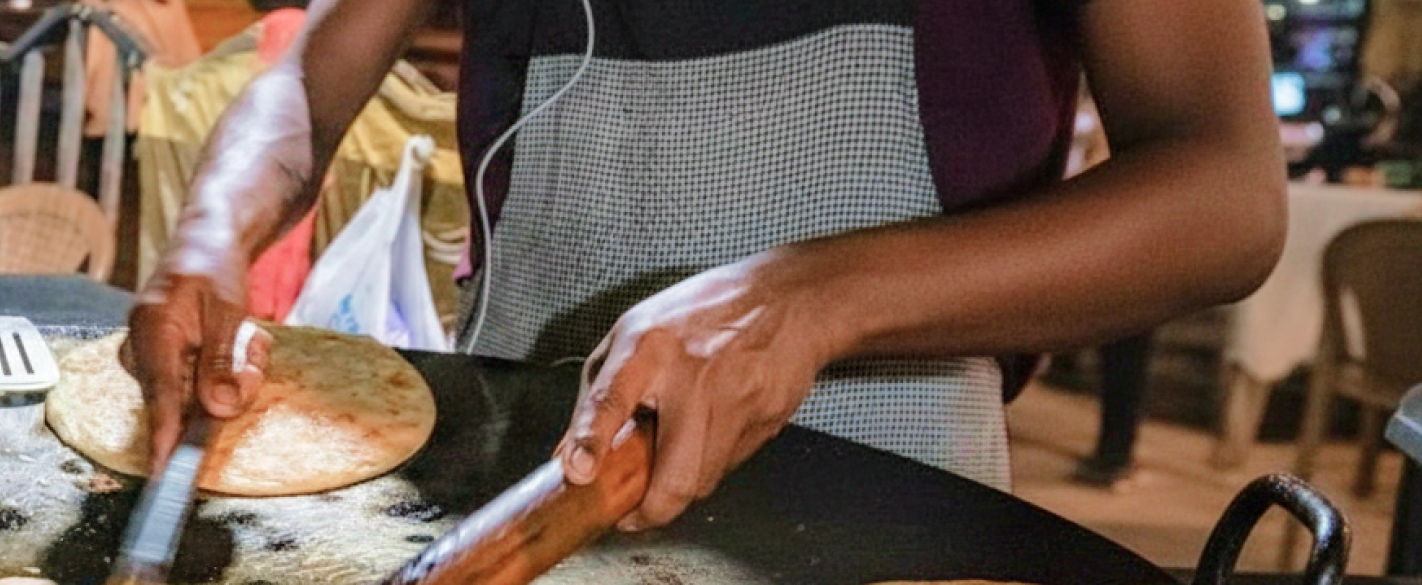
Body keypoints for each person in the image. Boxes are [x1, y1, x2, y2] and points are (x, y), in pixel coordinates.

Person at [128, 0, 1286, 531]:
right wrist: (211, 233)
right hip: (507, 503)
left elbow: (1224, 189)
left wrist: (807, 299)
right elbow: (306, 74)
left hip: (873, 522)